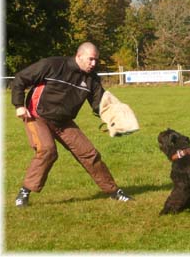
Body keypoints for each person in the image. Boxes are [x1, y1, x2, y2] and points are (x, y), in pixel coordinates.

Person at [11, 42, 132, 207]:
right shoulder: (52, 65)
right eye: (90, 59)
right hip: (37, 115)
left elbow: (99, 104)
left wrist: (114, 119)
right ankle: (24, 193)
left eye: (96, 60)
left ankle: (114, 191)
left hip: (64, 121)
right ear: (79, 55)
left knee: (90, 153)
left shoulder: (92, 79)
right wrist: (19, 105)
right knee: (47, 150)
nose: (94, 64)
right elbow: (20, 79)